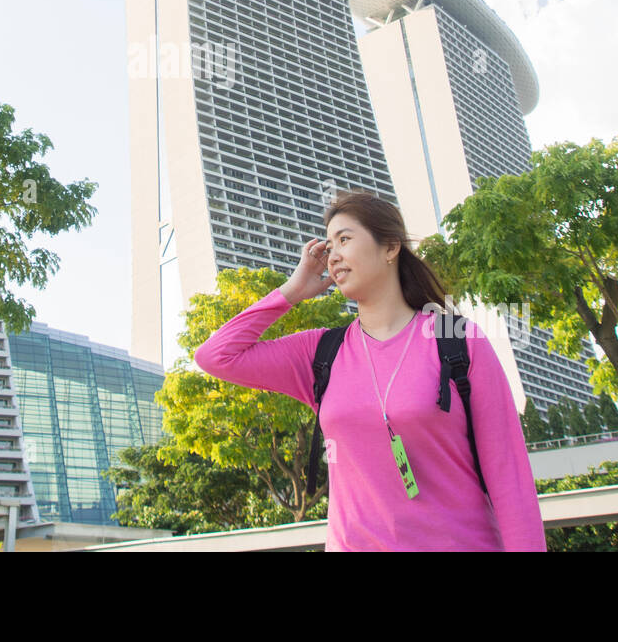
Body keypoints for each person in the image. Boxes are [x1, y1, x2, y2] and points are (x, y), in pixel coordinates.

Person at [193, 189, 546, 552]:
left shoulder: (456, 339)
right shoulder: (321, 353)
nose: (333, 256)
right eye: (329, 246)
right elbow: (214, 356)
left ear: (390, 247)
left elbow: (510, 478)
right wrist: (292, 291)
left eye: (344, 239)